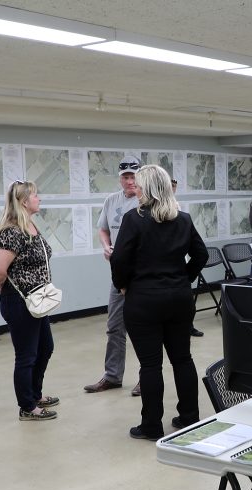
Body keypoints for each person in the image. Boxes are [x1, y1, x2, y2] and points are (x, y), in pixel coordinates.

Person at [110, 165, 208, 440]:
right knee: (182, 359)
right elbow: (200, 255)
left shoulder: (134, 219)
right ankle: (189, 417)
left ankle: (152, 425)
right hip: (179, 298)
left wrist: (123, 285)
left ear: (149, 189)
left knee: (150, 365)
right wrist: (183, 278)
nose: (135, 189)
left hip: (144, 300)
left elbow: (119, 259)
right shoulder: (184, 220)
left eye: (139, 186)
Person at [0, 181, 58, 422]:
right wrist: (3, 289)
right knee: (27, 356)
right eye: (35, 196)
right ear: (23, 202)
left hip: (39, 301)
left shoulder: (30, 225)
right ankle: (27, 407)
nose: (39, 199)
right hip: (20, 302)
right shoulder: (12, 232)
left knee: (45, 348)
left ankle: (35, 394)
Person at [84, 156, 142, 395]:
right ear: (120, 179)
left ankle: (145, 378)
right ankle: (112, 376)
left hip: (140, 274)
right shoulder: (111, 200)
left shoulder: (146, 201)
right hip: (118, 274)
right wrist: (106, 246)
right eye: (125, 177)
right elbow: (103, 228)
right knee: (114, 326)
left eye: (133, 176)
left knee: (141, 327)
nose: (129, 181)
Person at [172, 176, 204, 337]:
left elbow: (200, 254)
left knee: (185, 297)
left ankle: (188, 326)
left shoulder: (176, 205)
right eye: (171, 186)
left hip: (179, 259)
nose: (173, 189)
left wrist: (187, 276)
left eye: (175, 187)